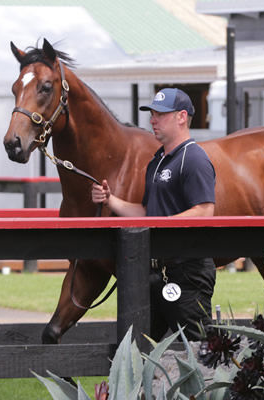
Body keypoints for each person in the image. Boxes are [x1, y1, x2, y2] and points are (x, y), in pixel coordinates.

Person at [92, 88, 216, 341]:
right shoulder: (158, 161)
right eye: (152, 114)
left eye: (160, 114)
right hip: (155, 272)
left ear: (182, 117)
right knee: (138, 345)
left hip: (187, 271)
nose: (152, 120)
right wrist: (111, 200)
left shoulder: (194, 158)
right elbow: (147, 212)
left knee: (201, 348)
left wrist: (164, 225)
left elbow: (205, 211)